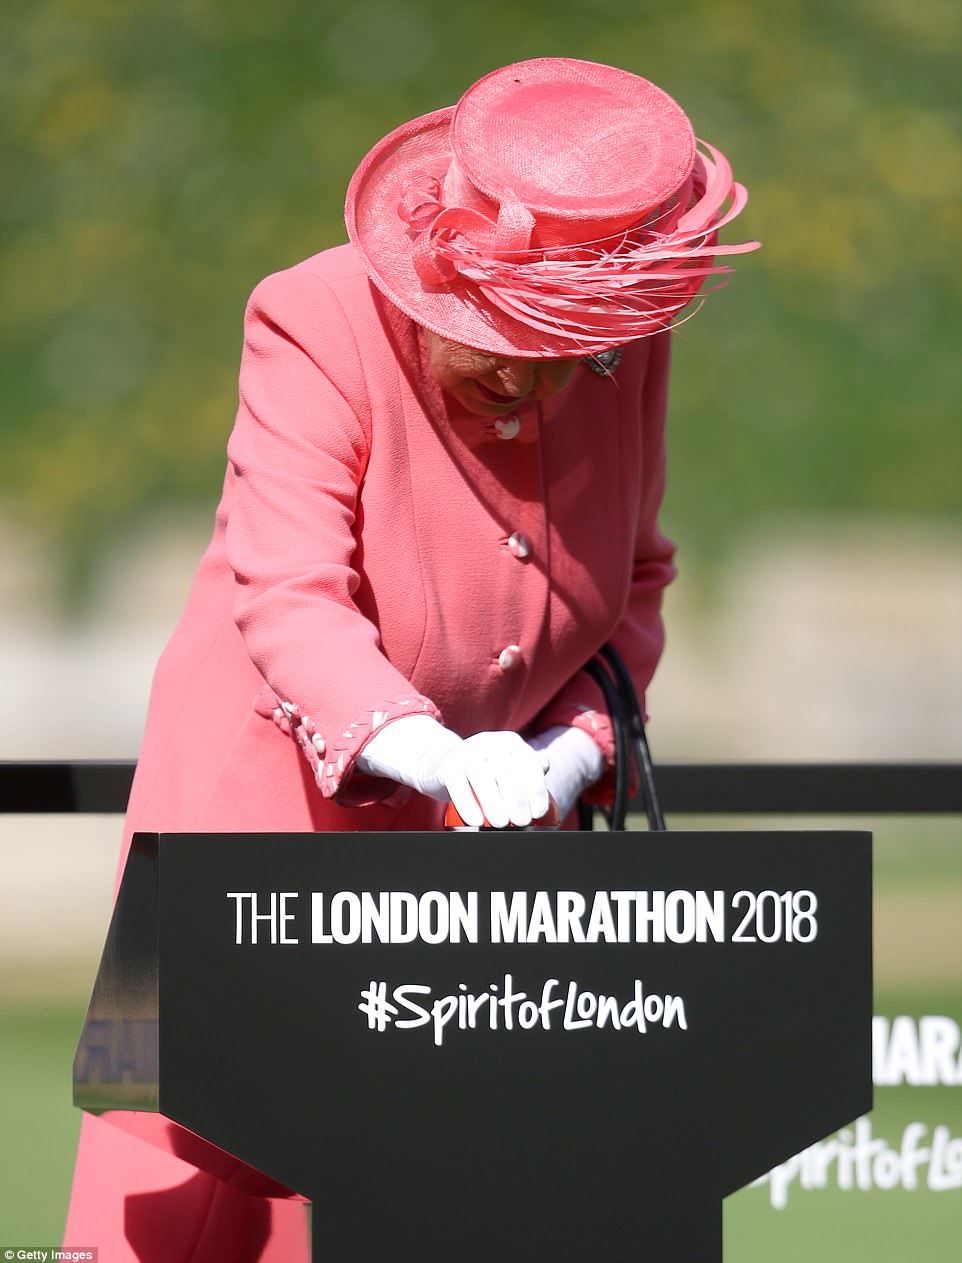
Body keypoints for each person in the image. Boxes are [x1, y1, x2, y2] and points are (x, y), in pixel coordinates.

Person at [64, 57, 756, 1261]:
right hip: (255, 818)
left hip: (487, 852)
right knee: (176, 1197)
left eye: (568, 350)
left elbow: (634, 582)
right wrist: (426, 750)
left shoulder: (620, 347)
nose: (532, 377)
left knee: (442, 1199)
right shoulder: (310, 314)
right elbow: (286, 591)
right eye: (504, 339)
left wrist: (568, 751)